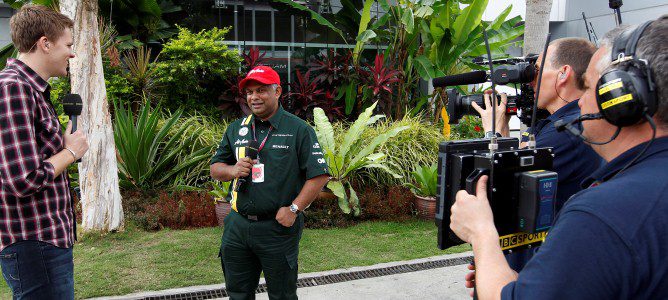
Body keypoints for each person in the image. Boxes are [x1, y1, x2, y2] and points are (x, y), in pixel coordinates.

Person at [451, 16, 668, 299]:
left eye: (589, 87)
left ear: (624, 97)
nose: (581, 102)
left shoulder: (600, 215)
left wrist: (481, 234)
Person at [472, 38, 603, 272]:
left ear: (563, 74)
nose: (531, 79)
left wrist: (491, 131)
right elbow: (519, 162)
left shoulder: (565, 132)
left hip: (541, 262)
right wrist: (502, 129)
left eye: (538, 70)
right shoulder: (557, 124)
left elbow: (502, 185)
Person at [210, 65, 330, 300]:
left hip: (278, 228)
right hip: (237, 226)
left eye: (261, 90)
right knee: (238, 293)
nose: (254, 97)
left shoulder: (298, 129)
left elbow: (319, 175)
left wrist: (295, 209)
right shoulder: (237, 129)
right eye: (249, 92)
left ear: (277, 92)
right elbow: (216, 168)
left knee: (282, 295)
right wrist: (233, 169)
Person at [0, 5, 88, 299]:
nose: (72, 53)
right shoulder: (14, 89)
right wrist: (71, 153)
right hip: (33, 243)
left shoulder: (32, 89)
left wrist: (62, 148)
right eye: (68, 45)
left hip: (44, 242)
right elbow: (22, 179)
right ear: (45, 43)